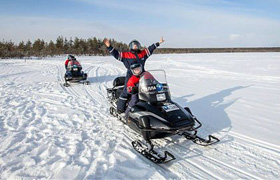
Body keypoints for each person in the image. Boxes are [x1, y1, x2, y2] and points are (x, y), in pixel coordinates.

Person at [104, 37, 165, 113]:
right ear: (130, 47)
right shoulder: (126, 55)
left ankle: (152, 106)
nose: (135, 46)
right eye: (134, 45)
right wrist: (109, 46)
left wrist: (158, 43)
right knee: (126, 91)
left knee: (151, 87)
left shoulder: (142, 54)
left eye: (137, 45)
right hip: (131, 75)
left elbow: (150, 49)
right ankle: (120, 109)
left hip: (142, 74)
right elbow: (116, 54)